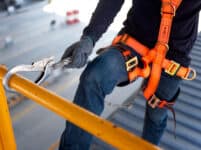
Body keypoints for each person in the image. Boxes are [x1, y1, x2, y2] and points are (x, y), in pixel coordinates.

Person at [59, 0, 201, 149]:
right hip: (135, 40)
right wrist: (90, 37)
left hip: (174, 57)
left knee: (156, 116)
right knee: (95, 76)